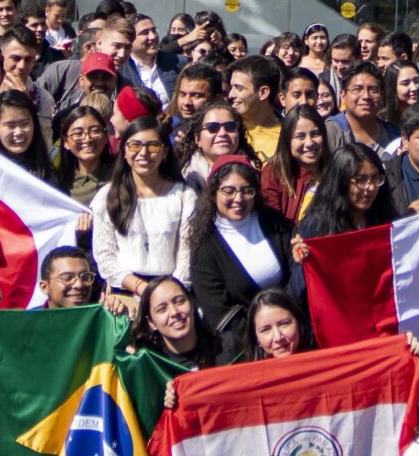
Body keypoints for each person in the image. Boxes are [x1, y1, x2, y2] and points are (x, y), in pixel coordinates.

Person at [187, 156, 300, 348]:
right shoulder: (204, 248)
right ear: (214, 194)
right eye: (228, 191)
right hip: (247, 346)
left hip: (291, 334)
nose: (238, 199)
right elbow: (217, 312)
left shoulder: (274, 223)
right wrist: (264, 336)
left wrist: (286, 324)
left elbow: (295, 270)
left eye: (247, 191)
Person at [92, 120, 195, 317]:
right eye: (135, 145)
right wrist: (141, 288)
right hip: (123, 295)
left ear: (165, 152)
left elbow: (186, 256)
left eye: (153, 146)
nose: (144, 153)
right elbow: (105, 256)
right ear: (124, 151)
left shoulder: (184, 196)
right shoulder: (108, 196)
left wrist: (165, 294)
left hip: (172, 292)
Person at [129, 274, 234, 368]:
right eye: (162, 309)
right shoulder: (154, 367)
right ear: (151, 322)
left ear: (192, 304)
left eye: (179, 301)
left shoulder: (227, 347)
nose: (174, 312)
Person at [244, 288, 310, 360]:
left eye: (284, 324)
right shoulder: (249, 371)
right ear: (256, 338)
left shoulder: (322, 357)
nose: (278, 337)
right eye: (265, 330)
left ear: (298, 323)